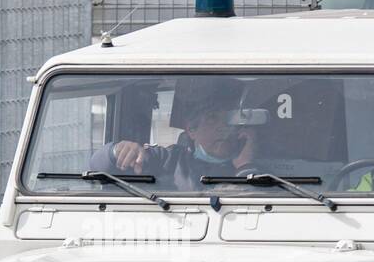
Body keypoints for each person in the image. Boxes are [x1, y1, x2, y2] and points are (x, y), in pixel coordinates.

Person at [89, 78, 261, 192]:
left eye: (229, 119)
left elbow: (261, 210)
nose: (222, 127)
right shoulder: (169, 160)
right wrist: (118, 151)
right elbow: (98, 167)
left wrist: (245, 167)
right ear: (192, 130)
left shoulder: (263, 163)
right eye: (212, 118)